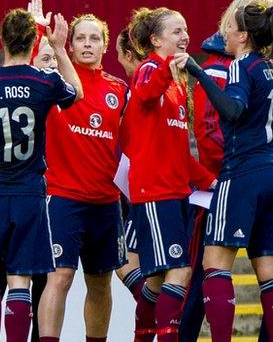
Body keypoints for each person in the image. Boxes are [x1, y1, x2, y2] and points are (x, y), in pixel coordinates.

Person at [0, 9, 83, 342]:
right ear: (32, 42)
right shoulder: (45, 81)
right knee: (19, 279)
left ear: (2, 39)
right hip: (29, 192)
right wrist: (58, 44)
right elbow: (76, 94)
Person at [181, 0, 273, 342]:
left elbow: (233, 111)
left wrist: (198, 73)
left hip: (243, 173)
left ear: (244, 36)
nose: (225, 31)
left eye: (230, 26)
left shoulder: (240, 66)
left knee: (214, 265)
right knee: (272, 274)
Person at [122, 7, 216, 342]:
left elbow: (178, 150)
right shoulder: (149, 69)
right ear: (156, 39)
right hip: (155, 192)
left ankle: (143, 332)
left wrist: (209, 182)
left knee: (158, 281)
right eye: (177, 31)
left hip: (177, 192)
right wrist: (167, 67)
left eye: (186, 29)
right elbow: (146, 92)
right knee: (181, 270)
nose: (185, 37)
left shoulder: (177, 86)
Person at [37, 13, 129, 342]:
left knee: (101, 282)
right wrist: (46, 39)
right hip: (64, 198)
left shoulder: (118, 89)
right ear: (71, 45)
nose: (87, 44)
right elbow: (31, 63)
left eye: (94, 38)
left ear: (105, 46)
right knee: (59, 278)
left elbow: (134, 144)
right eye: (81, 38)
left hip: (105, 202)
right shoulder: (54, 82)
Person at [113, 25, 147, 341]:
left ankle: (153, 307)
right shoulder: (149, 84)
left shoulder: (138, 88)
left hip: (143, 191)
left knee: (122, 262)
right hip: (147, 189)